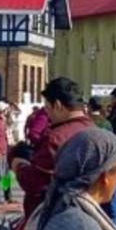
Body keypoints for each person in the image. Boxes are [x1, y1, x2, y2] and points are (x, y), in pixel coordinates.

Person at [15, 77, 92, 218]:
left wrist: (18, 165)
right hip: (89, 214)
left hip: (53, 215)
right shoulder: (95, 131)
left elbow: (36, 184)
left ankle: (5, 189)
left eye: (47, 108)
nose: (48, 113)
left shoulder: (55, 137)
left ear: (57, 105)